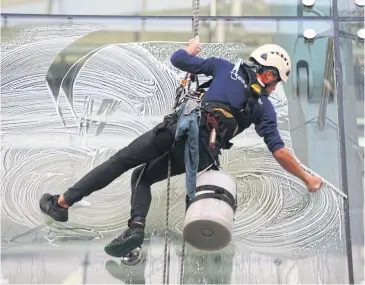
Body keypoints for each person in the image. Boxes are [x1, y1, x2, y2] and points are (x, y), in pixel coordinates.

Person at [39, 37, 324, 258]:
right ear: (270, 74)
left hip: (181, 129)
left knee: (122, 162)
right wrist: (307, 178)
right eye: (277, 83)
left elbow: (178, 59)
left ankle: (62, 203)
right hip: (203, 154)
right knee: (143, 176)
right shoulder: (264, 109)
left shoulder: (225, 67)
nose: (275, 90)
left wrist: (191, 48)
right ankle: (136, 228)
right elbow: (280, 152)